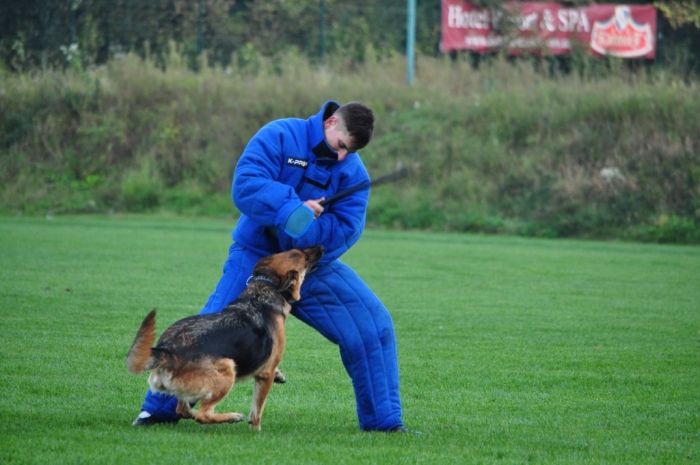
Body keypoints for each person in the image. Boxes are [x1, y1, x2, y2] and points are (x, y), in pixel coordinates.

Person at [133, 100, 410, 432]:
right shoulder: (280, 135)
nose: (341, 157)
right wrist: (291, 208)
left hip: (308, 268)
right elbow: (247, 184)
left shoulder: (353, 172)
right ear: (330, 122)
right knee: (206, 328)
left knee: (373, 327)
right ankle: (158, 412)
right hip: (256, 259)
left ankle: (385, 424)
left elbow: (345, 230)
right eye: (340, 145)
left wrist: (304, 229)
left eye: (348, 152)